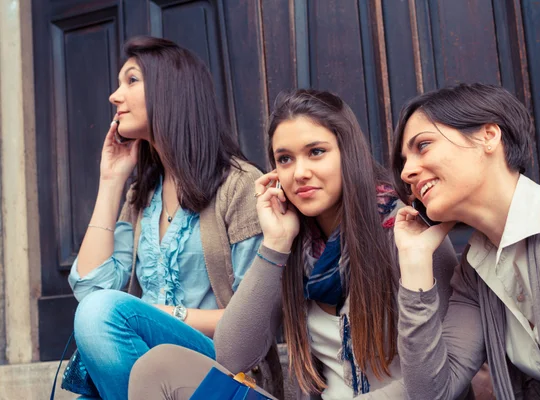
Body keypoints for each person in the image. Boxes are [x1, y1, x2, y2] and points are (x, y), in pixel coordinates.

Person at [127, 89, 459, 400]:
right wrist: (275, 243)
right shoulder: (294, 244)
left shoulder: (410, 237)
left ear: (349, 154)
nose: (299, 172)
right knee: (159, 366)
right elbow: (232, 355)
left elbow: (439, 380)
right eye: (285, 159)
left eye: (316, 152)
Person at [68, 36, 265, 400]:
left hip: (221, 368)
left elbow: (254, 322)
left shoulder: (240, 186)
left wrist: (160, 313)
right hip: (147, 368)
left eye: (131, 80)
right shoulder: (142, 196)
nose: (114, 95)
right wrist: (111, 181)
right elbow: (91, 293)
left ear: (169, 90)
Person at [391, 82, 540, 399]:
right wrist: (414, 260)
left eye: (422, 146)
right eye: (405, 160)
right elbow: (430, 392)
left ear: (488, 136)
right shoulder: (474, 270)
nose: (407, 172)